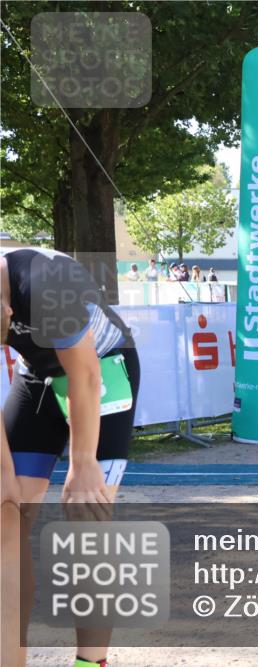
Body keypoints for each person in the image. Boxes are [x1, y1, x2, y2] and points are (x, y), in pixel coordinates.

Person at [1, 248, 141, 667]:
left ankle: (89, 662)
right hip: (38, 377)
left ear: (7, 308)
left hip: (104, 368)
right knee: (7, 516)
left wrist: (82, 464)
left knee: (86, 517)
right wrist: (5, 478)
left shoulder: (45, 283)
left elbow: (85, 376)